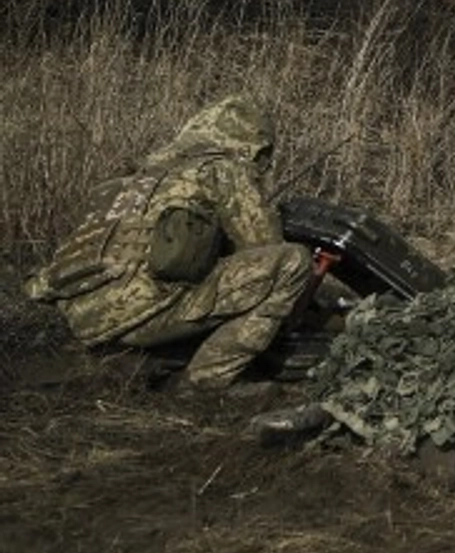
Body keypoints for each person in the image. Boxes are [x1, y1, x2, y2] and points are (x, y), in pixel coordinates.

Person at [23, 97, 312, 388]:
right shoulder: (223, 169)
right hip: (141, 316)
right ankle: (206, 381)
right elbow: (262, 248)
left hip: (83, 318)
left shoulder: (132, 176)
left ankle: (152, 356)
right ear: (253, 145)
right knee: (292, 262)